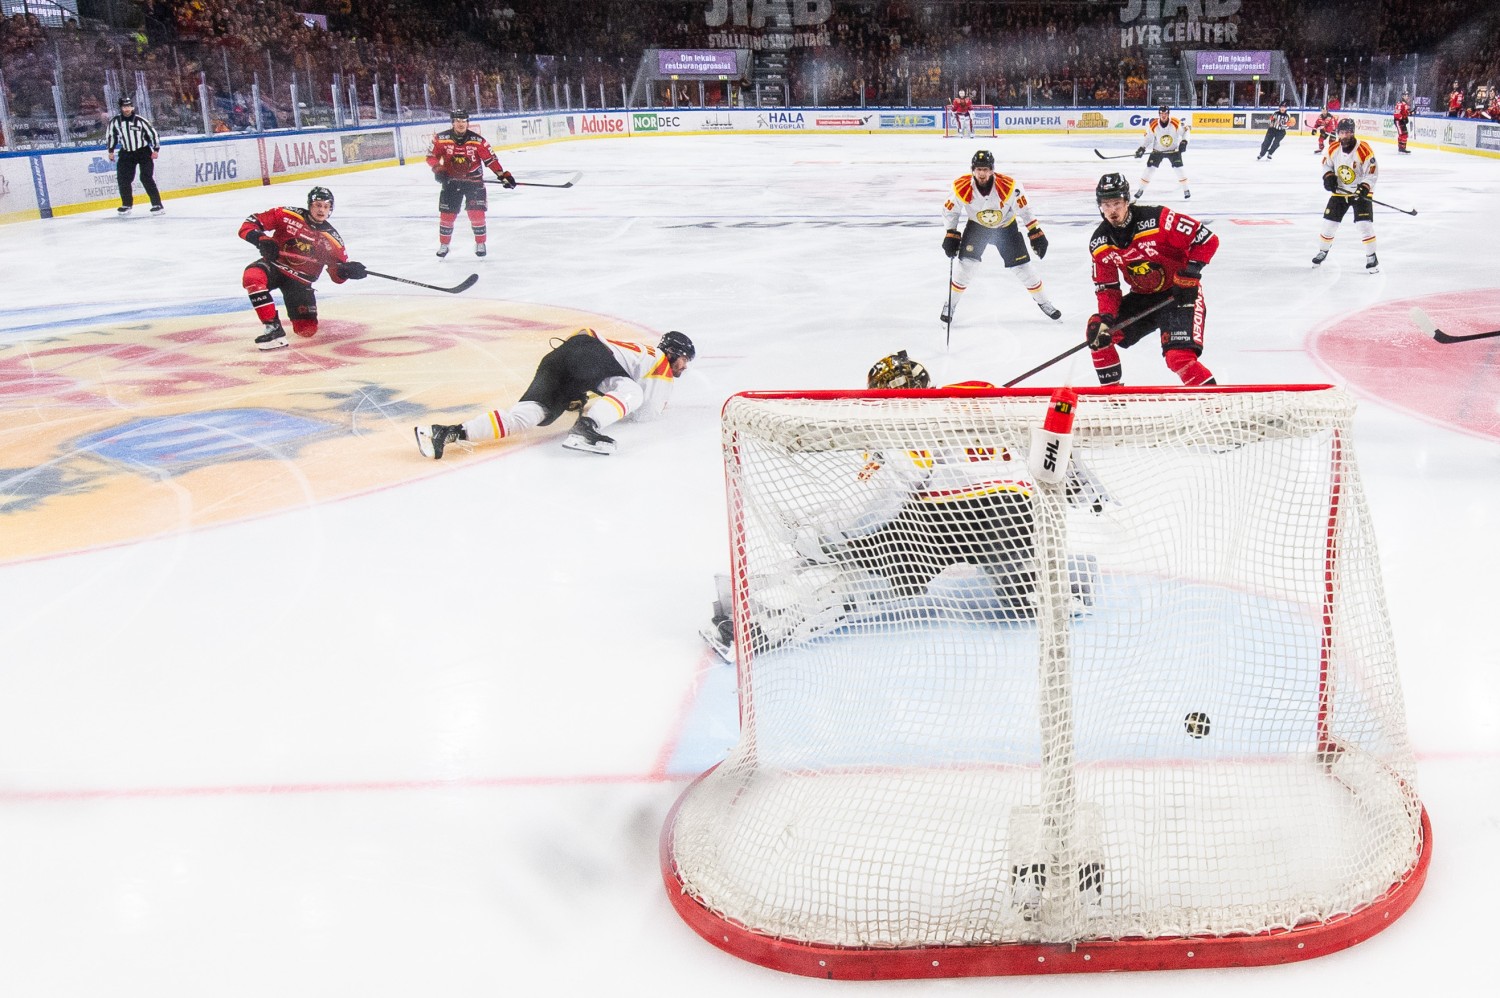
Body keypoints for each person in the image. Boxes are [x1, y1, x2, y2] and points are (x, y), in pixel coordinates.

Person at [700, 351, 1107, 660]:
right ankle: (1058, 580)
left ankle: (764, 626)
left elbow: (890, 493)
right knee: (1021, 602)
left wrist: (830, 539)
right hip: (1018, 515)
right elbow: (1052, 441)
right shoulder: (982, 391)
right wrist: (1089, 493)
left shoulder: (897, 419)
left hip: (944, 519)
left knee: (871, 568)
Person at [415, 328, 695, 459]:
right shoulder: (659, 362)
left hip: (561, 357)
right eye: (684, 360)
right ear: (673, 353)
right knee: (633, 391)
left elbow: (606, 377)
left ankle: (446, 432)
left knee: (529, 416)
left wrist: (582, 391)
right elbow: (646, 412)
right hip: (587, 354)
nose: (684, 367)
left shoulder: (639, 356)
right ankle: (586, 428)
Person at [1085, 172, 1219, 387]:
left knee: (1179, 358)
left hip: (1177, 294)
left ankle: (1215, 402)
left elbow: (1207, 240)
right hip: (1143, 298)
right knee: (1097, 331)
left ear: (1127, 201)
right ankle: (1112, 397)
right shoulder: (1099, 243)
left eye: (1117, 203)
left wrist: (1191, 273)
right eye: (1106, 205)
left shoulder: (1159, 219)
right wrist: (1107, 319)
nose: (1112, 210)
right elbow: (1107, 288)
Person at [236, 186, 367, 351]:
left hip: (300, 282)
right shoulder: (287, 215)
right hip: (275, 267)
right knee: (252, 277)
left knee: (306, 330)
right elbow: (249, 224)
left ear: (330, 209)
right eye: (318, 205)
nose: (321, 210)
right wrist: (261, 239)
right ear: (310, 205)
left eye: (326, 206)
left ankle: (295, 320)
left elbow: (336, 275)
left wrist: (345, 271)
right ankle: (273, 328)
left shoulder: (332, 240)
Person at [940, 149, 1060, 329]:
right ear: (973, 170)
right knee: (966, 267)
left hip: (1005, 228)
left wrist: (1035, 232)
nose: (982, 173)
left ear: (992, 170)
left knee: (1023, 268)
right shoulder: (960, 186)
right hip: (977, 228)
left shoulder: (1010, 186)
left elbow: (1025, 210)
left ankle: (1044, 302)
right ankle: (950, 304)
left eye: (985, 169)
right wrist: (951, 233)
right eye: (978, 169)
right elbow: (951, 210)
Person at [425, 109, 515, 258]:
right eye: (458, 121)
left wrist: (502, 175)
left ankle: (480, 243)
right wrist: (438, 169)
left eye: (464, 121)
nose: (461, 124)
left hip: (474, 183)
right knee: (447, 215)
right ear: (453, 122)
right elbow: (431, 156)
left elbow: (491, 160)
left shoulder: (478, 141)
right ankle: (444, 245)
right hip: (451, 183)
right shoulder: (441, 139)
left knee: (477, 214)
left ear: (468, 123)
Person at [1312, 118, 1380, 274]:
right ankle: (1323, 250)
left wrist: (1364, 187)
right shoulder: (1333, 148)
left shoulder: (1363, 149)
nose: (1345, 135)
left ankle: (1371, 256)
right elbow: (1326, 164)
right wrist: (1328, 177)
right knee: (1329, 224)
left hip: (1360, 193)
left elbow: (1372, 171)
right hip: (1340, 192)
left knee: (1364, 225)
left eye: (1348, 132)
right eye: (1342, 132)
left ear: (1353, 133)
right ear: (1338, 133)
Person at [104, 95, 163, 215]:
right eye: (124, 107)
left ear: (132, 107)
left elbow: (153, 134)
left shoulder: (141, 120)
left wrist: (156, 149)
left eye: (129, 106)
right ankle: (126, 204)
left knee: (146, 177)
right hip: (127, 153)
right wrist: (110, 151)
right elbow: (111, 136)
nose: (127, 109)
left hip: (143, 152)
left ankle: (157, 204)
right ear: (121, 108)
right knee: (123, 179)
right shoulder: (115, 121)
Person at [1133, 104, 1190, 200]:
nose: (1163, 115)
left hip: (1173, 150)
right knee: (1149, 169)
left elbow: (1186, 131)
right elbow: (1148, 138)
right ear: (1159, 114)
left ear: (1168, 114)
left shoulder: (1175, 122)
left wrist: (1184, 141)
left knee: (1179, 169)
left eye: (1165, 113)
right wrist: (1142, 148)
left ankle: (1186, 189)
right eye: (1161, 113)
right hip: (1158, 151)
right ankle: (1141, 189)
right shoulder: (1154, 124)